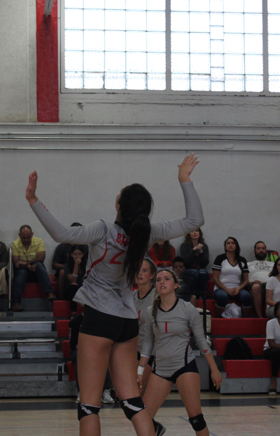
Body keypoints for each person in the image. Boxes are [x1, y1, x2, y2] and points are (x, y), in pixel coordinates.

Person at [25, 154, 204, 436]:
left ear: (119, 206)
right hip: (127, 321)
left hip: (98, 319)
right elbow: (196, 219)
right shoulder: (147, 234)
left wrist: (33, 200)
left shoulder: (103, 230)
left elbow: (60, 233)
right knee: (132, 401)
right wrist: (184, 179)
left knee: (89, 406)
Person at [138, 268, 222, 436]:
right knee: (143, 419)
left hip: (185, 367)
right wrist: (140, 370)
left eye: (167, 279)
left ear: (176, 285)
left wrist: (214, 368)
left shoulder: (187, 308)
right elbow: (148, 343)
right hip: (160, 370)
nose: (162, 282)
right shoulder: (150, 312)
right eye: (159, 279)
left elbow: (201, 340)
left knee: (196, 419)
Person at [69, 312, 116, 405]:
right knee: (80, 357)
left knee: (104, 355)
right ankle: (82, 392)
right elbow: (73, 344)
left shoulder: (101, 320)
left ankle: (105, 391)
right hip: (79, 350)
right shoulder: (75, 321)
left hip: (97, 349)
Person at [11, 225, 56, 312]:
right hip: (22, 271)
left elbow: (41, 258)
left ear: (32, 234)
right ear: (19, 235)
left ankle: (50, 293)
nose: (26, 240)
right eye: (24, 238)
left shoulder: (39, 241)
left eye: (28, 237)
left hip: (35, 271)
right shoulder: (15, 244)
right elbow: (16, 263)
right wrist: (27, 266)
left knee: (38, 265)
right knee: (22, 273)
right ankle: (15, 303)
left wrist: (26, 263)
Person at [212, 237, 252, 318]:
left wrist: (238, 289)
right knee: (222, 296)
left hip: (237, 289)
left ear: (236, 245)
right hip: (221, 289)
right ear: (225, 246)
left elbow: (246, 280)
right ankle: (219, 319)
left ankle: (244, 320)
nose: (230, 245)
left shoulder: (242, 260)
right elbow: (215, 278)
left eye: (233, 243)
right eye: (228, 243)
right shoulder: (220, 258)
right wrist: (227, 290)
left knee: (247, 297)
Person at [134, 258, 157, 393]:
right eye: (137, 270)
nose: (140, 274)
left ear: (152, 275)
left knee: (139, 390)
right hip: (133, 349)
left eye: (144, 271)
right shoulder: (131, 297)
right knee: (131, 391)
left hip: (151, 352)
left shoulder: (157, 297)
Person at [52, 224, 88, 299]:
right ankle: (60, 298)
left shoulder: (86, 247)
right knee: (62, 272)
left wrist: (80, 266)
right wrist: (70, 266)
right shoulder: (62, 246)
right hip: (68, 269)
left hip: (82, 269)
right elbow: (54, 265)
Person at [247, 241, 276, 318]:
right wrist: (252, 282)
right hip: (256, 286)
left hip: (272, 286)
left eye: (263, 248)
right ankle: (260, 317)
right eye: (258, 248)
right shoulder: (248, 264)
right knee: (256, 287)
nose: (261, 250)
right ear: (254, 251)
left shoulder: (273, 264)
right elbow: (243, 281)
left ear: (266, 251)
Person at [179, 228, 209, 293]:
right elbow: (185, 262)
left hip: (200, 268)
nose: (194, 233)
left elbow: (205, 263)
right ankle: (194, 294)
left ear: (199, 233)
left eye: (197, 231)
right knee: (194, 272)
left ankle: (201, 294)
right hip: (188, 269)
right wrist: (193, 250)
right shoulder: (184, 246)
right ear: (189, 234)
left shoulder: (204, 246)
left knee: (203, 273)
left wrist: (201, 253)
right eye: (192, 231)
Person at [63, 247, 87, 313]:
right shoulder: (67, 266)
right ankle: (73, 312)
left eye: (79, 254)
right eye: (75, 254)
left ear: (83, 255)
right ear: (71, 255)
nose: (77, 256)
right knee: (74, 285)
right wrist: (76, 265)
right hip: (70, 290)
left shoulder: (87, 265)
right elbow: (73, 281)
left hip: (83, 289)